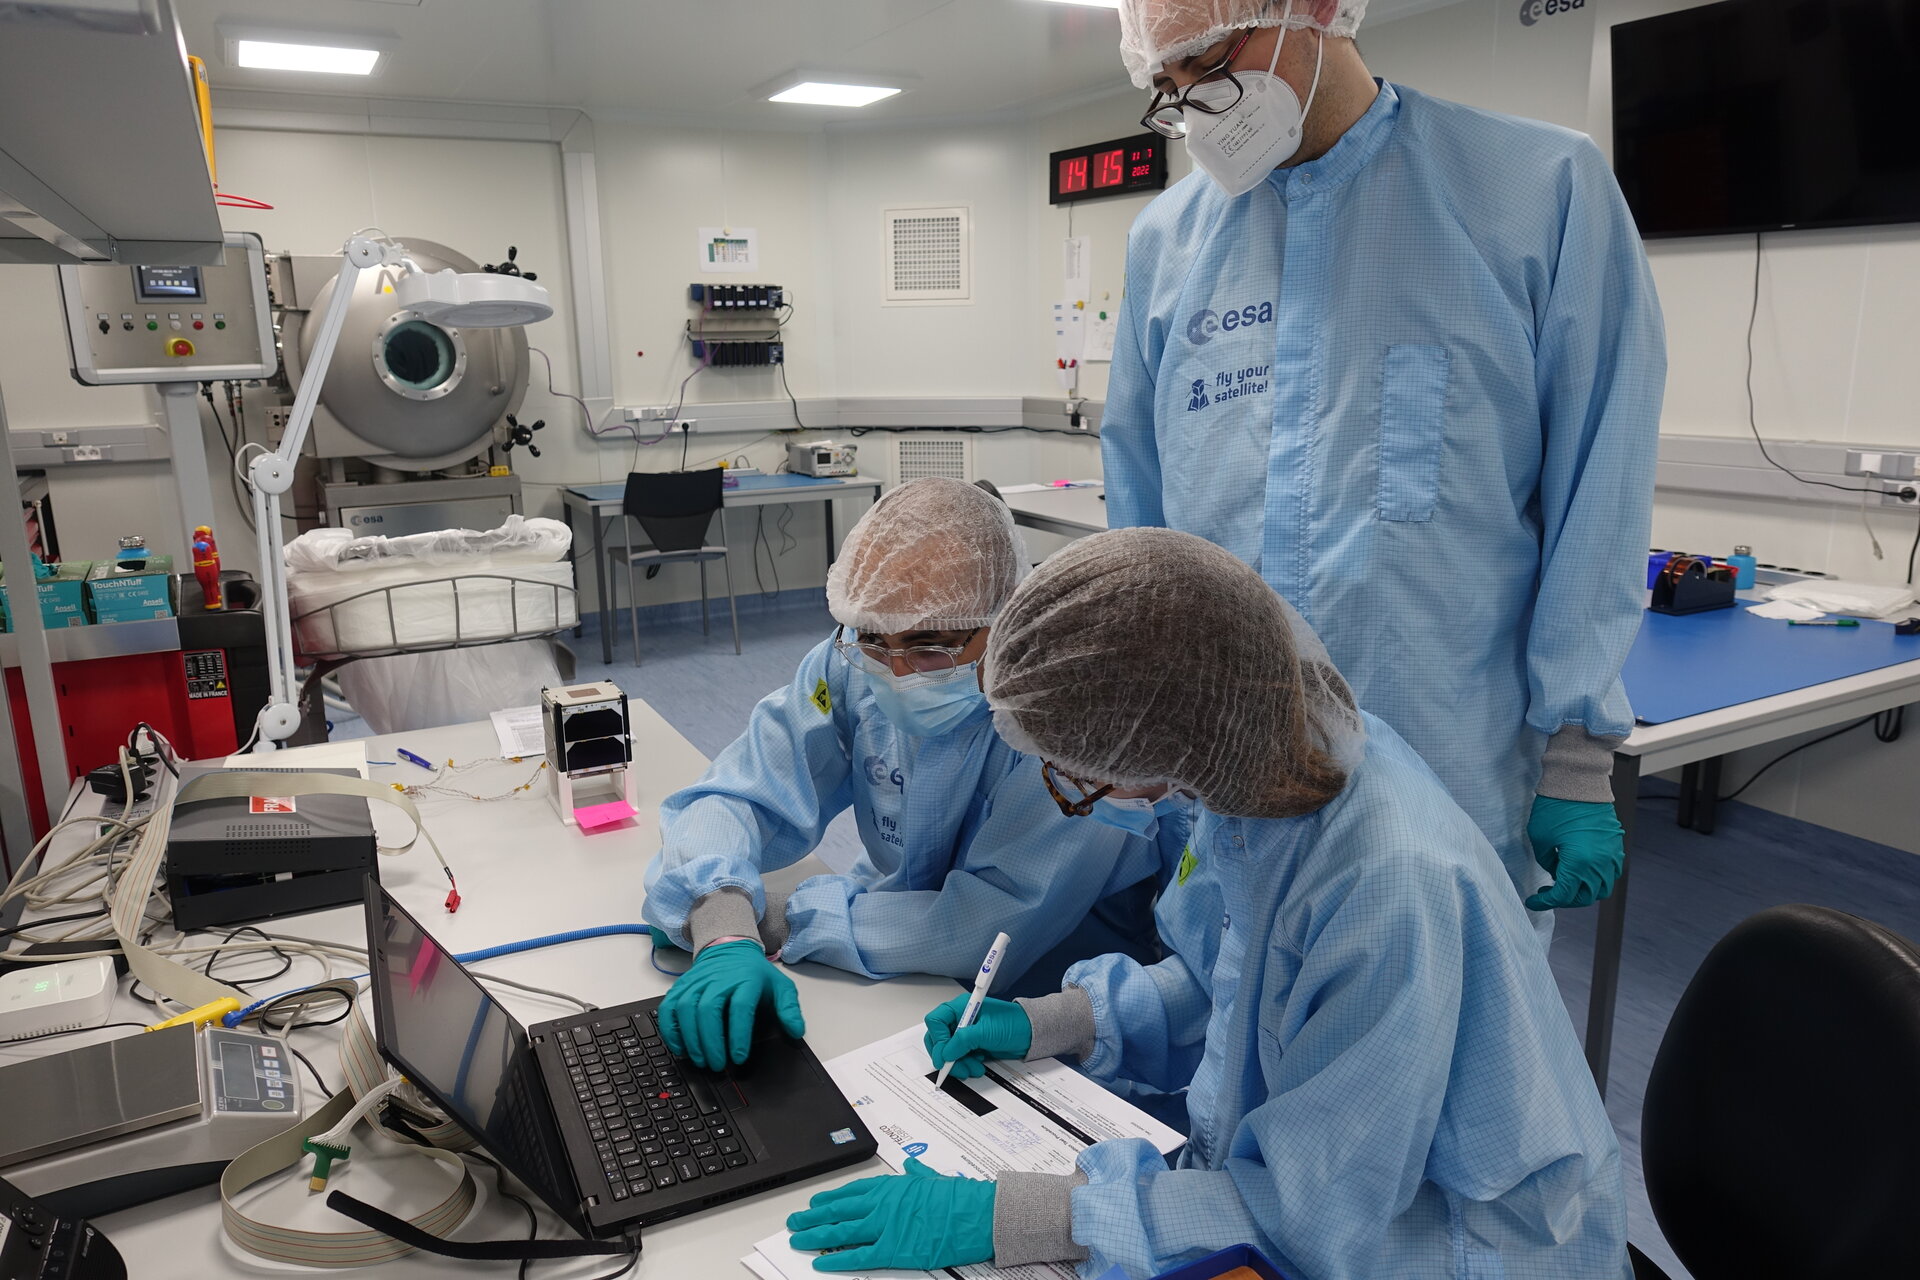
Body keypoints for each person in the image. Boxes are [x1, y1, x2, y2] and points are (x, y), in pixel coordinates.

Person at [785, 529, 1628, 1279]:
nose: (1080, 794)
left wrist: (1023, 1217)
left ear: (1161, 738)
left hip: (1458, 1243)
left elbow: (1312, 1218)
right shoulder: (1262, 777)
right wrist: (1055, 1022)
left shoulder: (1382, 890)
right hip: (1341, 1194)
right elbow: (1238, 981)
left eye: (1079, 777)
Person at [1100, 0, 1666, 917]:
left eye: (1208, 60)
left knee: (1448, 1032)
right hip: (1228, 763)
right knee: (1220, 1019)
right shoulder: (1169, 244)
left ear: (1316, 11)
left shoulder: (1539, 189)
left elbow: (1599, 488)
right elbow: (1140, 508)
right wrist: (1138, 719)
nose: (1198, 102)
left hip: (1450, 766)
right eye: (1170, 85)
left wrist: (1574, 750)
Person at [642, 478, 1171, 1070]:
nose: (896, 671)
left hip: (1043, 1011)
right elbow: (741, 789)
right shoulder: (850, 657)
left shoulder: (1063, 711)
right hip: (889, 963)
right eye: (874, 640)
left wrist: (780, 916)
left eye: (930, 646)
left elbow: (981, 925)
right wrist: (720, 921)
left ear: (1006, 616)